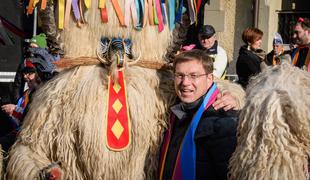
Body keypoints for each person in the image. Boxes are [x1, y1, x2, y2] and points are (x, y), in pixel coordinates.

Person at [158, 49, 238, 180]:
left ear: (209, 79)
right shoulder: (174, 112)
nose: (185, 82)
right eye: (179, 75)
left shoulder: (224, 120)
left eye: (193, 76)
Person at [0, 57, 57, 152]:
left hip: (29, 136)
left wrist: (15, 110)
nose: (26, 76)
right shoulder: (28, 93)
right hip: (20, 129)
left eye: (30, 73)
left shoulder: (45, 96)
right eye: (25, 73)